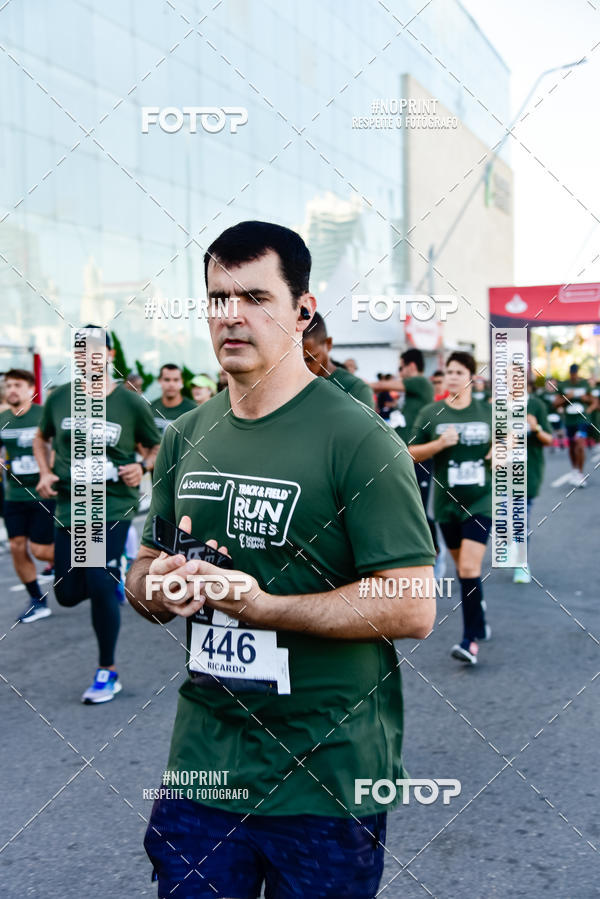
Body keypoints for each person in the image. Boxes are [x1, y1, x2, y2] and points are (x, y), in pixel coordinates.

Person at [126, 220, 436, 898]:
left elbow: (412, 603)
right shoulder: (187, 434)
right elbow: (143, 571)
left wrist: (265, 607)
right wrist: (161, 588)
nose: (231, 315)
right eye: (217, 298)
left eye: (255, 297)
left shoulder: (357, 439)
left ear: (302, 310)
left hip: (324, 779)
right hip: (203, 767)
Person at [33, 326, 161, 703]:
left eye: (95, 350)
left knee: (99, 581)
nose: (88, 357)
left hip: (111, 504)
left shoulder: (130, 403)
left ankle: (108, 671)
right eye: (80, 351)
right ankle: (112, 570)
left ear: (110, 356)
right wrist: (44, 471)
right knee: (68, 594)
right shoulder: (59, 400)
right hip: (69, 504)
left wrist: (141, 464)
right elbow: (42, 439)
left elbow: (154, 446)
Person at [410, 351, 492, 666]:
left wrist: (502, 447)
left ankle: (469, 640)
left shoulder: (486, 410)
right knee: (463, 572)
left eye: (459, 372)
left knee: (470, 569)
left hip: (481, 500)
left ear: (472, 377)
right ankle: (479, 615)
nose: (453, 377)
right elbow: (408, 452)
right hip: (446, 505)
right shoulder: (433, 412)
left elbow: (509, 437)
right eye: (449, 372)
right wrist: (438, 445)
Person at [0, 369, 55, 623]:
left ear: (31, 388)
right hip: (14, 495)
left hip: (44, 492)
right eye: (8, 385)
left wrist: (51, 472)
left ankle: (99, 561)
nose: (11, 389)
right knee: (16, 546)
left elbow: (59, 446)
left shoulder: (44, 414)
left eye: (17, 385)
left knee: (42, 550)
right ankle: (37, 600)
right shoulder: (2, 419)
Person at [512, 380, 553, 584]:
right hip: (499, 471)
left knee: (519, 517)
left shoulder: (536, 405)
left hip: (527, 471)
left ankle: (521, 563)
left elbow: (549, 439)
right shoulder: (496, 405)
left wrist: (535, 427)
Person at [302, 312, 375, 408]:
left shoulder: (355, 389)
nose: (302, 366)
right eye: (292, 359)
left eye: (309, 359)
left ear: (328, 344)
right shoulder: (288, 386)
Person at [555, 363, 592, 486]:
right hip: (569, 420)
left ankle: (581, 474)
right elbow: (555, 403)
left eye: (575, 373)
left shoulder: (585, 384)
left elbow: (593, 400)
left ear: (578, 373)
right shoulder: (563, 385)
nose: (574, 376)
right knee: (571, 446)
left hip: (582, 419)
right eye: (572, 373)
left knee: (580, 444)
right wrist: (566, 398)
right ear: (569, 373)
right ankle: (575, 470)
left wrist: (585, 400)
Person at [150, 364, 197, 436]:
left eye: (176, 380)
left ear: (182, 381)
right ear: (159, 381)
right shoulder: (149, 408)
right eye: (167, 380)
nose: (171, 384)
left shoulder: (193, 410)